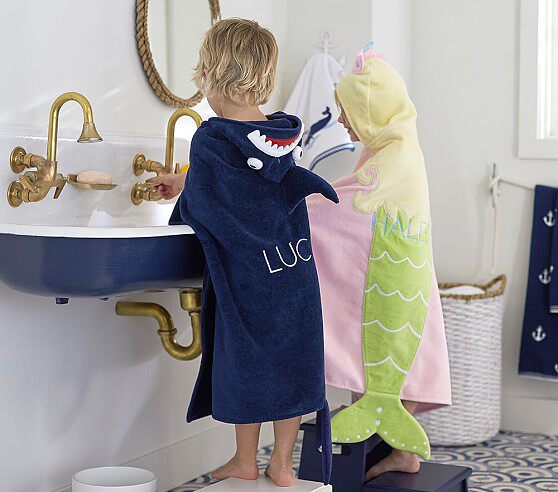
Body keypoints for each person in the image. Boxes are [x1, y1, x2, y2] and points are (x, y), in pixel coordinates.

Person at [152, 18, 337, 487]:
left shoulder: (211, 137)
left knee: (247, 366)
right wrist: (185, 180)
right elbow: (249, 184)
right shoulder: (280, 135)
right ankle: (283, 465)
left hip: (247, 281)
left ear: (210, 73)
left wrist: (184, 195)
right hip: (293, 270)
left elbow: (211, 202)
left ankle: (245, 459)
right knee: (292, 366)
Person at [306, 43, 452, 481]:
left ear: (371, 113)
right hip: (400, 270)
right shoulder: (397, 143)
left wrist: (296, 208)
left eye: (347, 112)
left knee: (387, 353)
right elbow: (354, 199)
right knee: (379, 353)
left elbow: (346, 205)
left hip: (395, 276)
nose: (342, 121)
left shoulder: (393, 157)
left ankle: (400, 450)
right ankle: (398, 451)